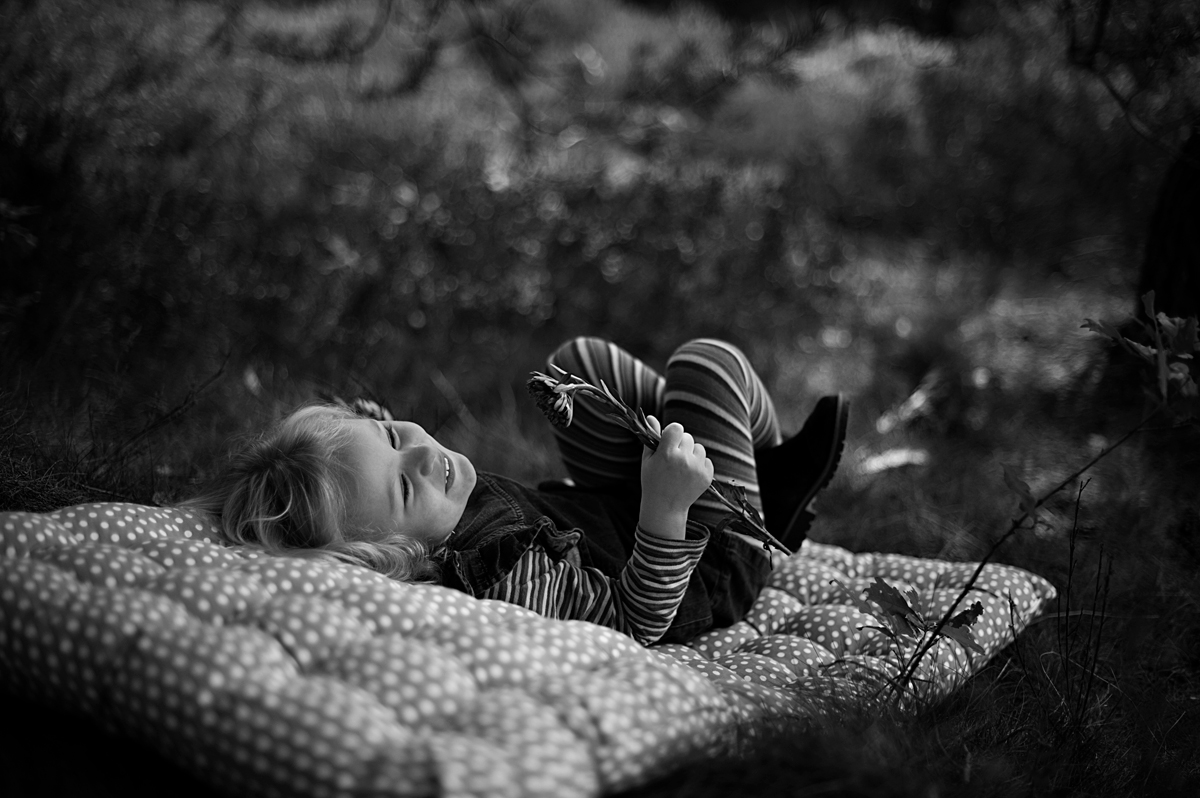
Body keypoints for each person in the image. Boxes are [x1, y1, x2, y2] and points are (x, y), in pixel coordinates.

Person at [185, 337, 848, 645]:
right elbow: (635, 621)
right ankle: (768, 498)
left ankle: (763, 471)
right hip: (702, 561)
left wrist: (364, 438)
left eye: (391, 433)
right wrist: (668, 503)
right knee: (709, 366)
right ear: (399, 554)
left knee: (576, 367)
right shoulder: (504, 566)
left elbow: (378, 459)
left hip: (617, 509)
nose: (421, 454)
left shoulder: (431, 504)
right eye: (405, 486)